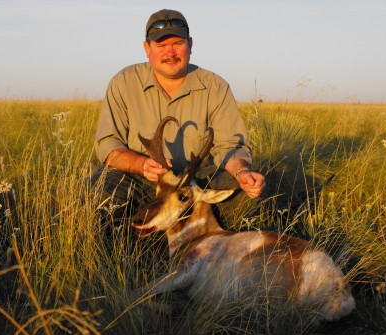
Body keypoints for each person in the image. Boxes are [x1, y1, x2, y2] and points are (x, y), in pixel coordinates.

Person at [92, 9, 265, 225]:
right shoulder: (124, 82)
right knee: (98, 189)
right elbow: (108, 144)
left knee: (241, 191)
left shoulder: (215, 86)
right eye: (161, 45)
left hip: (194, 184)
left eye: (177, 43)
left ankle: (209, 242)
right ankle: (131, 245)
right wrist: (142, 165)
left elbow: (231, 146)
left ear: (190, 44)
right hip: (144, 180)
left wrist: (242, 173)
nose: (170, 52)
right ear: (147, 48)